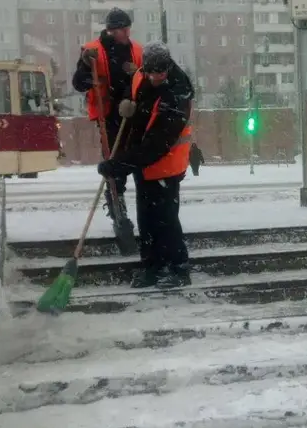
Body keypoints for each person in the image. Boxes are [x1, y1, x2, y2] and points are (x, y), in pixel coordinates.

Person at [97, 41, 194, 289]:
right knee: (146, 219)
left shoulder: (177, 94)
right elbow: (135, 106)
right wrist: (127, 108)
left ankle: (179, 269)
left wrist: (119, 165)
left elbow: (156, 145)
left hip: (166, 164)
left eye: (160, 73)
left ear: (168, 68)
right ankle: (153, 267)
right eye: (151, 73)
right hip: (143, 163)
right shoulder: (142, 76)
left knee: (166, 219)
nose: (155, 78)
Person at [71, 7, 142, 221]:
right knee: (114, 158)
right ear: (112, 30)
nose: (127, 33)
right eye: (123, 29)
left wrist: (137, 74)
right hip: (108, 114)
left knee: (137, 156)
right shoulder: (93, 51)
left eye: (128, 28)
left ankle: (141, 198)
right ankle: (115, 200)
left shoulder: (137, 50)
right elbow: (79, 84)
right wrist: (85, 65)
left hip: (133, 112)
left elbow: (146, 81)